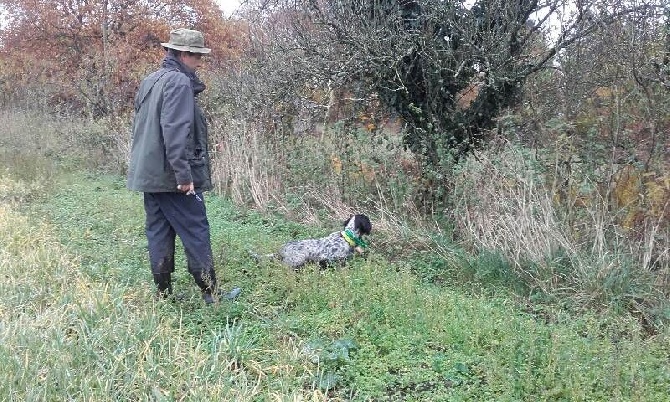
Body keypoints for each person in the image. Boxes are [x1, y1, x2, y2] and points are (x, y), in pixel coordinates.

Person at [127, 28, 236, 304]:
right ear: (184, 54)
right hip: (172, 177)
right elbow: (175, 130)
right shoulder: (178, 82)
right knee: (196, 229)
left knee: (158, 230)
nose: (200, 61)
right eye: (197, 55)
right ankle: (211, 295)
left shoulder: (151, 80)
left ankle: (163, 294)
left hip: (150, 176)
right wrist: (183, 174)